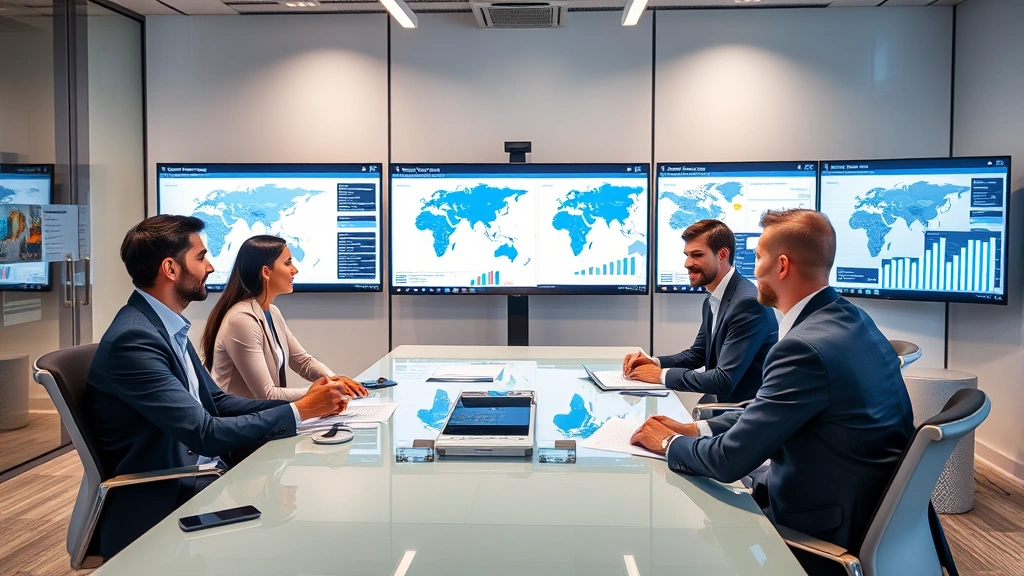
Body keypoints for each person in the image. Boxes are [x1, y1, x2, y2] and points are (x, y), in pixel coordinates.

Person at [630, 209, 914, 566]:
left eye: (759, 256)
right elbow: (769, 408)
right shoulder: (850, 318)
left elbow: (728, 460)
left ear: (781, 266)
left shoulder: (803, 347)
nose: (753, 268)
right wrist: (697, 428)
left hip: (821, 524)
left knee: (682, 531)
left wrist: (669, 443)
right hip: (861, 502)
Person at [88, 215, 351, 558]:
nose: (210, 267)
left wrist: (302, 410)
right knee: (308, 541)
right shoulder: (135, 339)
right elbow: (204, 432)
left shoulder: (163, 327)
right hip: (169, 497)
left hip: (205, 474)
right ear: (170, 268)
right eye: (200, 257)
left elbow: (217, 402)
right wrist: (300, 410)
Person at [622, 219, 777, 408]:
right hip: (725, 406)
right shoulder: (715, 297)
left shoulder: (747, 303)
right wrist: (654, 362)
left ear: (722, 255)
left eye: (697, 255)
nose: (687, 263)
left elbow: (723, 380)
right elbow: (698, 354)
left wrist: (661, 376)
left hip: (742, 413)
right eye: (687, 255)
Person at [200, 235, 367, 402]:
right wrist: (325, 391)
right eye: (288, 263)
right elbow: (267, 395)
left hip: (262, 417)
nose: (295, 270)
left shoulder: (272, 312)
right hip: (237, 422)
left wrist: (334, 380)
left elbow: (303, 362)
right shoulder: (241, 320)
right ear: (266, 272)